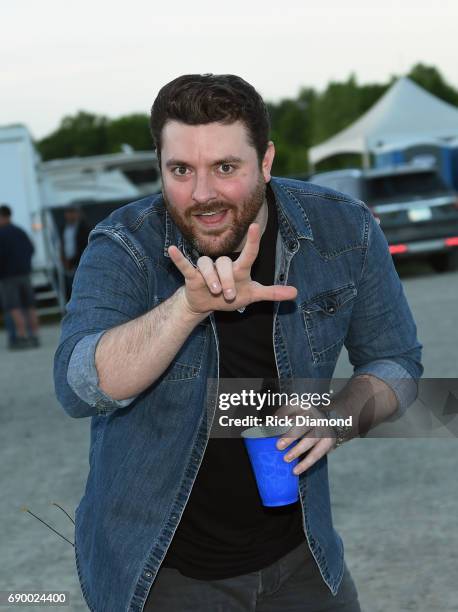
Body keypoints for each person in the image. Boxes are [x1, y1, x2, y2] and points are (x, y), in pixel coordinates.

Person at [54, 74, 423, 612]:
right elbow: (80, 386)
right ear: (159, 165)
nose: (202, 194)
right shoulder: (124, 245)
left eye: (226, 168)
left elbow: (398, 362)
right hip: (163, 572)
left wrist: (339, 416)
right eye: (181, 170)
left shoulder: (345, 230)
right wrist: (188, 306)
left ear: (266, 162)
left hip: (303, 557)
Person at [0, 204, 40, 349]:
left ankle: (21, 337)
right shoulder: (20, 231)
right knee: (30, 306)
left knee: (14, 307)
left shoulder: (1, 233)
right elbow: (31, 248)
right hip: (25, 274)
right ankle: (35, 336)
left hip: (8, 277)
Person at [60, 206, 90, 301]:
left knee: (83, 287)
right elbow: (63, 245)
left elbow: (85, 246)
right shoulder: (64, 228)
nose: (70, 215)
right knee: (71, 290)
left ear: (78, 214)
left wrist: (73, 260)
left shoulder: (84, 228)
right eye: (68, 213)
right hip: (68, 264)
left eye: (73, 213)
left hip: (80, 262)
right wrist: (63, 259)